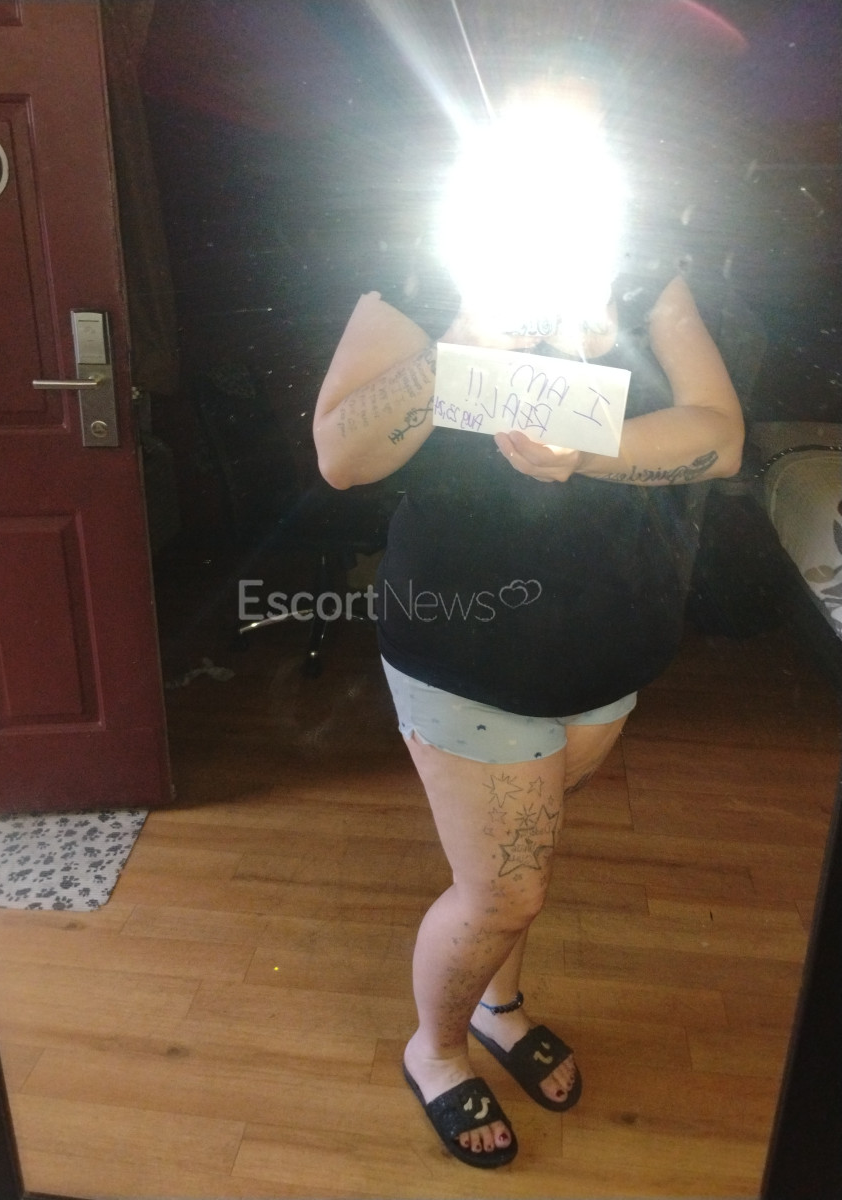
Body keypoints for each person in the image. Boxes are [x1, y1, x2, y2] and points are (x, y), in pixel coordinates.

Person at [313, 45, 744, 1169]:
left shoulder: (638, 271)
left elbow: (718, 436)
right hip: (466, 647)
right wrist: (458, 344)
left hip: (610, 640)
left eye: (584, 140)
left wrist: (589, 453)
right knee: (505, 888)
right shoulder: (422, 268)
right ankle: (437, 1048)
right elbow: (342, 456)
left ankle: (501, 1008)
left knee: (524, 863)